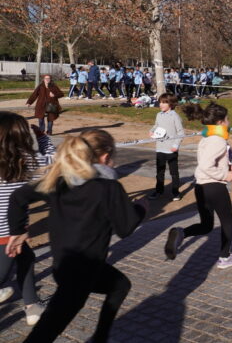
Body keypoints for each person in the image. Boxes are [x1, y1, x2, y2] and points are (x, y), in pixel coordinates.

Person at [6, 130, 147, 343]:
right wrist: (140, 208)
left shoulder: (60, 181)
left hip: (66, 266)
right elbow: (125, 229)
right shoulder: (108, 188)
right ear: (106, 157)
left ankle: (100, 337)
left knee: (120, 285)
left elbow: (18, 197)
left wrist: (18, 230)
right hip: (81, 274)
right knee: (43, 335)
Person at [164, 103, 232, 269]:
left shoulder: (206, 139)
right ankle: (225, 257)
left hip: (201, 187)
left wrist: (227, 166)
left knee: (206, 225)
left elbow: (211, 161)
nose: (229, 122)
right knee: (227, 222)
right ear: (220, 122)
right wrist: (224, 175)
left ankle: (182, 232)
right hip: (214, 187)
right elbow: (206, 166)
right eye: (227, 119)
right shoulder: (218, 141)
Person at [0, 113, 55, 326]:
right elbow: (54, 161)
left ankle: (32, 305)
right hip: (10, 232)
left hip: (13, 233)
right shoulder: (29, 160)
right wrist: (43, 138)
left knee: (27, 258)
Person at [148, 93, 185, 201]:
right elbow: (156, 125)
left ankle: (175, 192)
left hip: (171, 149)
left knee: (174, 172)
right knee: (160, 171)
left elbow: (180, 132)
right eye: (160, 102)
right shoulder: (159, 115)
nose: (161, 104)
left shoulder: (175, 116)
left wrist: (175, 145)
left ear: (171, 103)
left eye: (164, 102)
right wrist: (151, 130)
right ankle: (159, 191)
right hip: (160, 147)